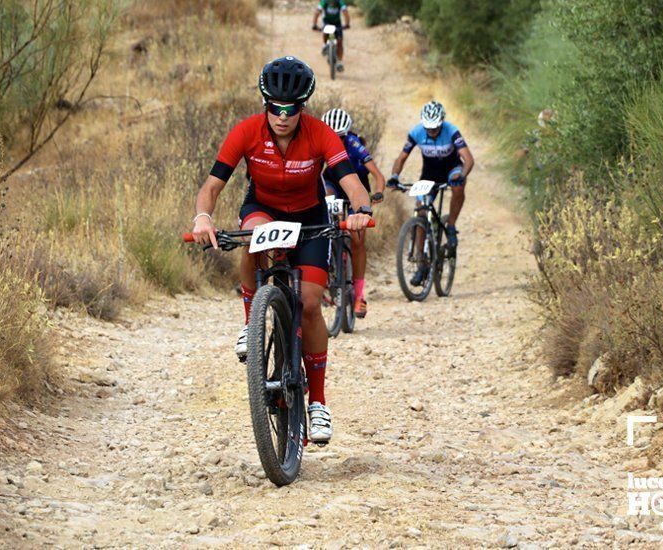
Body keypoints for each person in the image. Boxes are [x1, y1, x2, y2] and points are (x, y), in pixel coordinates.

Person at [191, 56, 372, 443]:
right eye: (275, 107)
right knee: (253, 233)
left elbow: (351, 181)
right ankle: (250, 322)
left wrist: (361, 209)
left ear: (302, 107)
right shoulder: (246, 132)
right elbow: (212, 185)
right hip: (263, 208)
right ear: (265, 104)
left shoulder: (321, 133)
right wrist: (203, 217)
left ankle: (319, 403)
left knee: (308, 304)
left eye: (290, 109)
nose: (282, 116)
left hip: (310, 217)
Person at [388, 100, 474, 285]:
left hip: (452, 170)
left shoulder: (452, 131)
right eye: (428, 129)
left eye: (435, 129)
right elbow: (401, 158)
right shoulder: (416, 132)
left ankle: (450, 226)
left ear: (442, 123)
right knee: (420, 211)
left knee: (459, 186)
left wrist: (462, 175)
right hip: (430, 174)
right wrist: (394, 175)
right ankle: (422, 264)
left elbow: (468, 159)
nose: (432, 132)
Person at [320, 108, 385, 318]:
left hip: (356, 188)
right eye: (332, 136)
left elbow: (377, 175)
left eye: (340, 137)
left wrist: (378, 192)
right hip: (333, 185)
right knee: (326, 216)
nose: (335, 140)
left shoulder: (355, 145)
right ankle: (325, 273)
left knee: (357, 241)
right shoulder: (321, 144)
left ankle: (358, 295)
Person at [312, 0, 350, 72]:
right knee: (326, 32)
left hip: (337, 23)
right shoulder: (324, 1)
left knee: (340, 42)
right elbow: (317, 12)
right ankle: (325, 45)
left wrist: (347, 23)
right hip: (327, 22)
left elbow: (345, 12)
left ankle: (339, 62)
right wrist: (314, 24)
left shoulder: (339, 2)